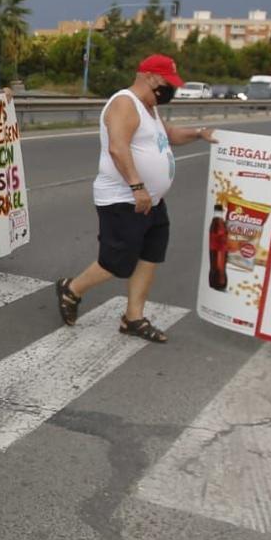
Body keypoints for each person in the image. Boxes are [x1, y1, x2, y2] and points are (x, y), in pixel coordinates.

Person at [54, 53, 214, 337]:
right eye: (167, 83)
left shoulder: (149, 107)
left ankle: (133, 318)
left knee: (150, 255)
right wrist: (137, 187)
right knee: (116, 261)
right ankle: (72, 289)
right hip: (124, 198)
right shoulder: (125, 103)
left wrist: (200, 133)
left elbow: (171, 136)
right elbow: (118, 147)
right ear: (150, 76)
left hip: (152, 201)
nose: (170, 90)